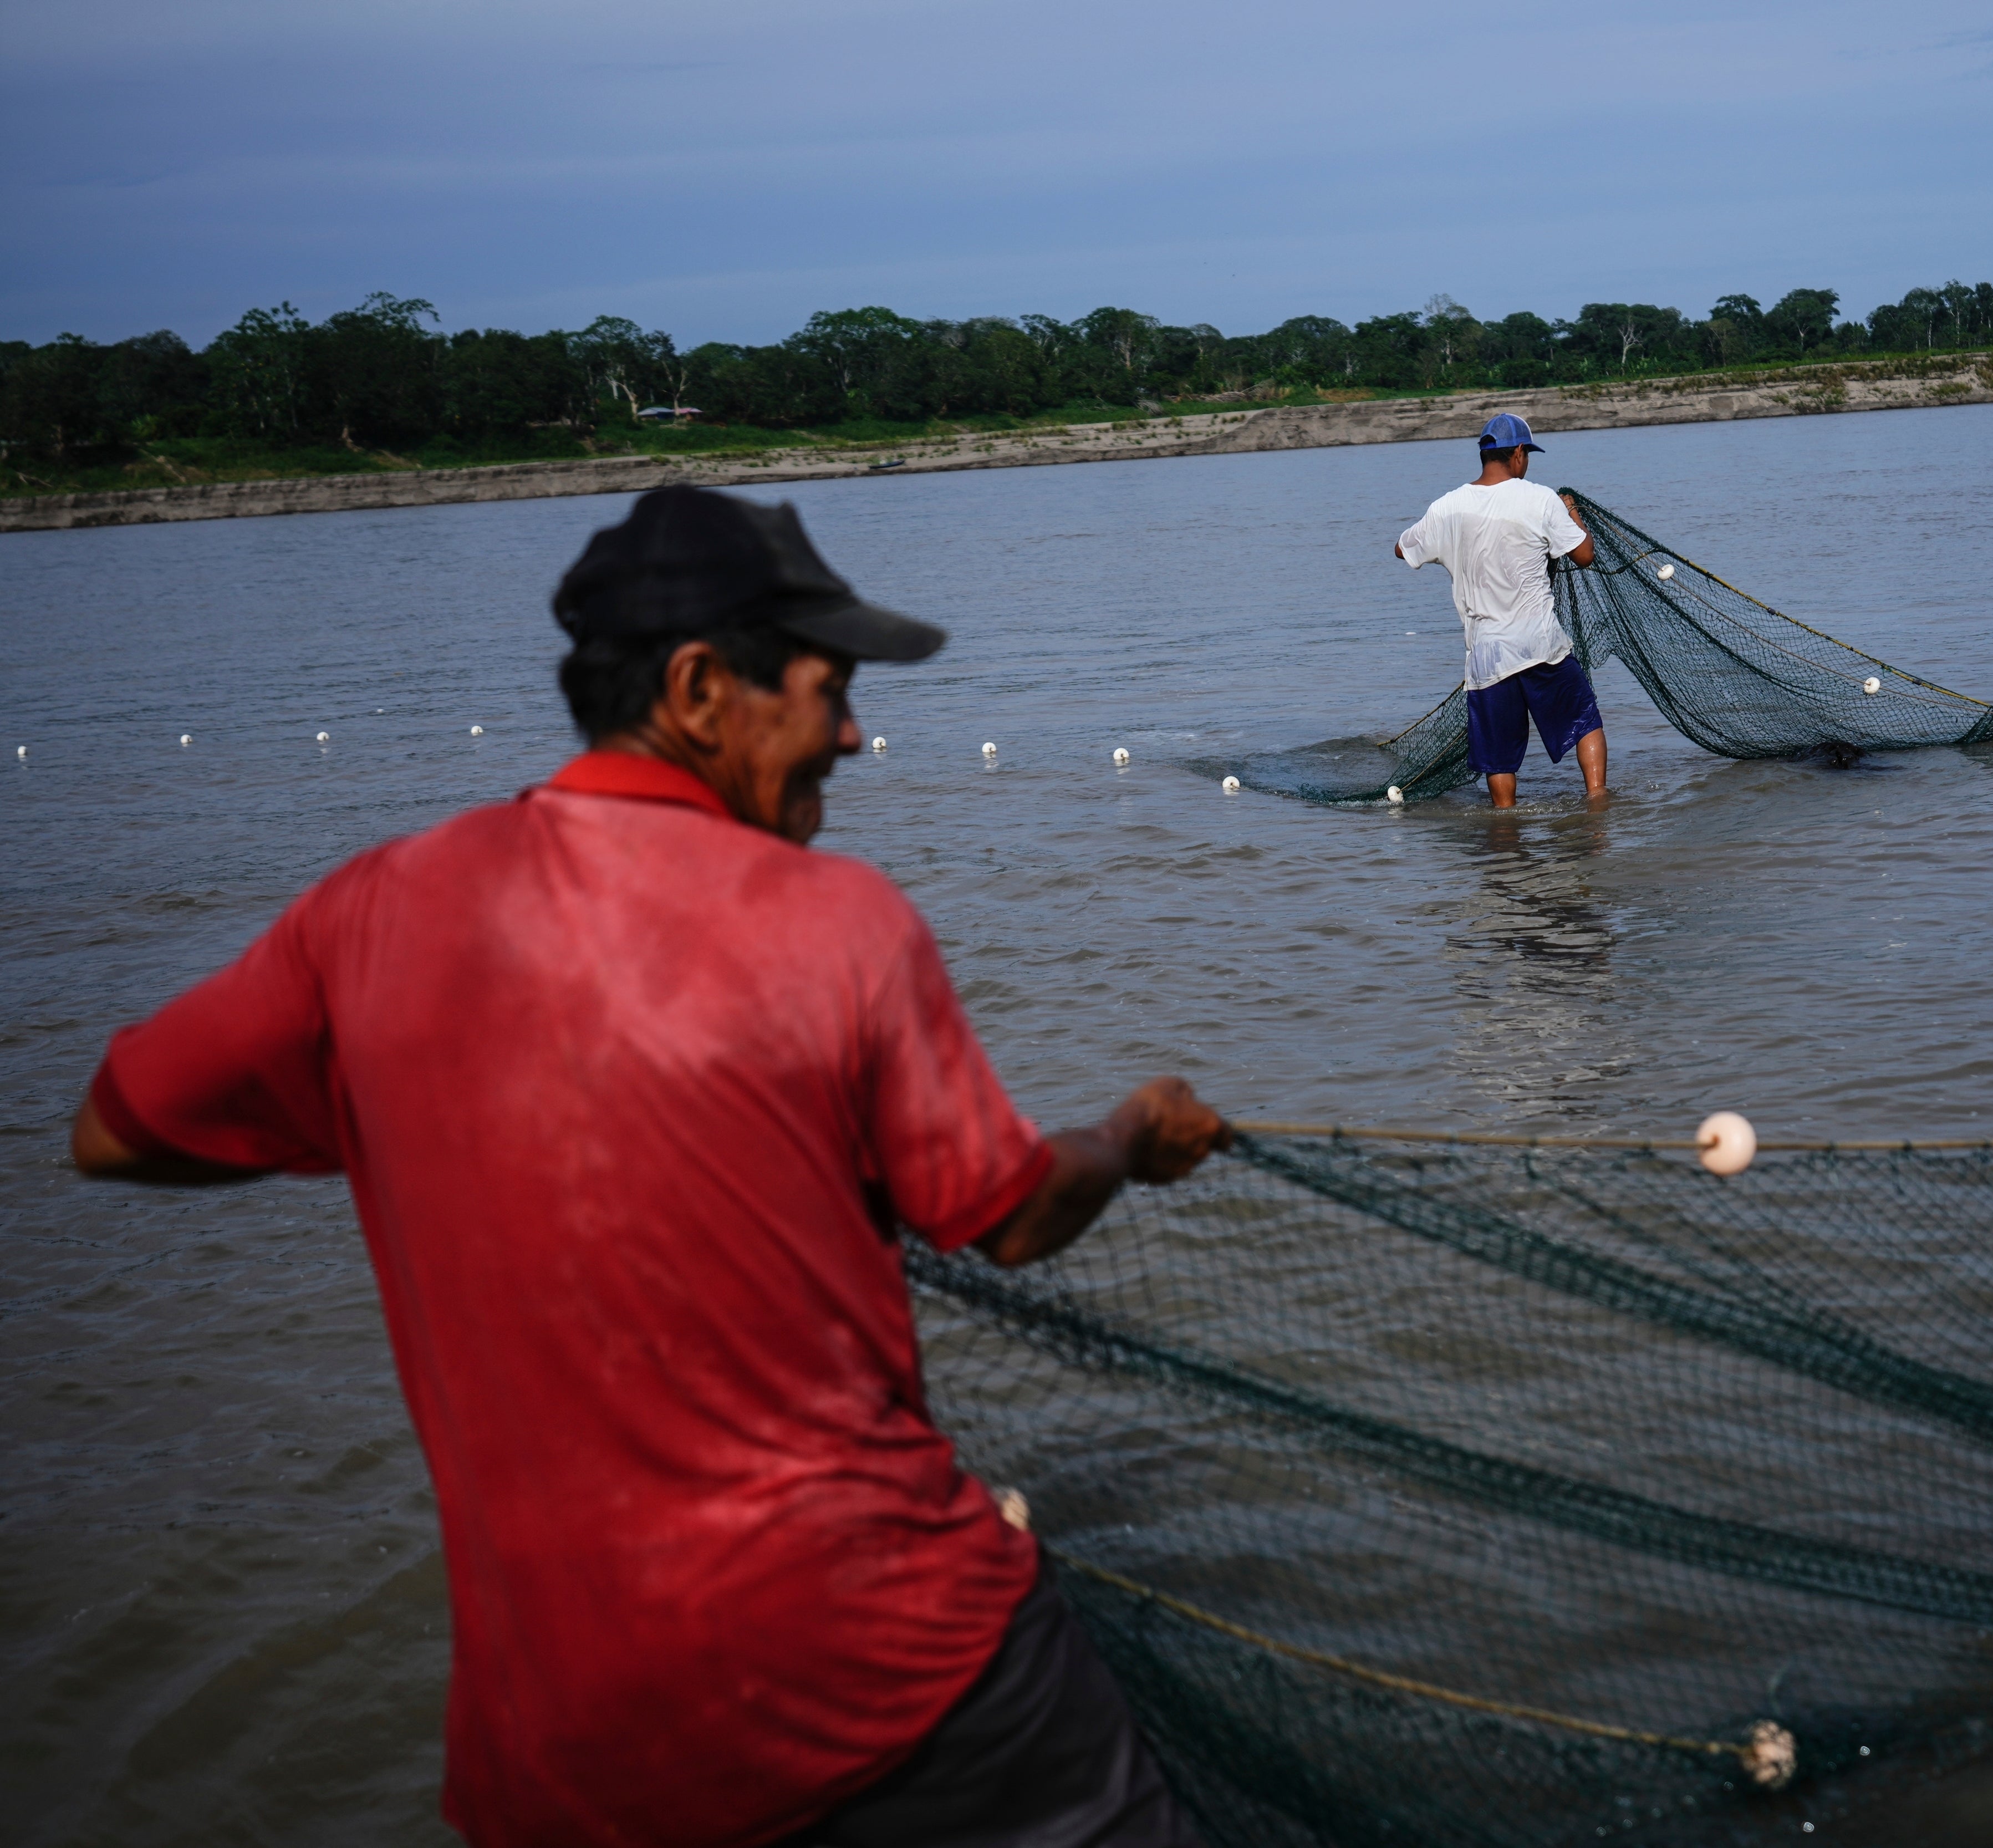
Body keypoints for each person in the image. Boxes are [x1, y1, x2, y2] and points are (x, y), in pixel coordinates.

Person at [67, 486, 1228, 1848]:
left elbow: (116, 1131)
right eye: (828, 689)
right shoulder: (836, 920)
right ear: (697, 689)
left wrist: (398, 1119)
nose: (852, 734)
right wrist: (1126, 1138)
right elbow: (1014, 1218)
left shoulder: (368, 909)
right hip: (899, 1686)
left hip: (564, 1765)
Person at [1393, 413, 1606, 809]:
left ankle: (1505, 834)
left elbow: (1403, 549)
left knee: (1499, 758)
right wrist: (1571, 510)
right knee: (1585, 722)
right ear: (1520, 454)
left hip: (1488, 656)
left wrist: (1451, 549)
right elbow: (1585, 554)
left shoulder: (1448, 507)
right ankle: (1597, 803)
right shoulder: (1540, 499)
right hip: (1541, 645)